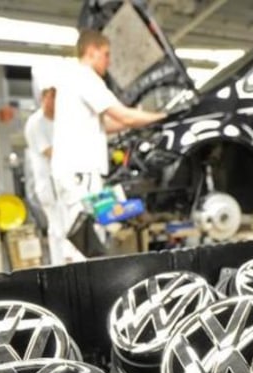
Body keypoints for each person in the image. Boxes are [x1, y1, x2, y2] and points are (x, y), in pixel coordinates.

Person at [50, 29, 167, 264]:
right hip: (80, 172)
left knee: (81, 236)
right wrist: (163, 116)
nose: (109, 61)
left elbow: (109, 125)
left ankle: (82, 289)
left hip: (75, 171)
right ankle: (83, 294)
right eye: (106, 54)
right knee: (83, 239)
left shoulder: (72, 80)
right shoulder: (85, 77)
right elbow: (123, 116)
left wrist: (137, 121)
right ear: (91, 51)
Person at [23, 78, 56, 259]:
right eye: (53, 96)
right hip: (49, 185)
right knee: (58, 229)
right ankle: (64, 267)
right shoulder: (36, 122)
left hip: (61, 183)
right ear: (45, 97)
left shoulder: (58, 121)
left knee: (69, 228)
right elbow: (50, 152)